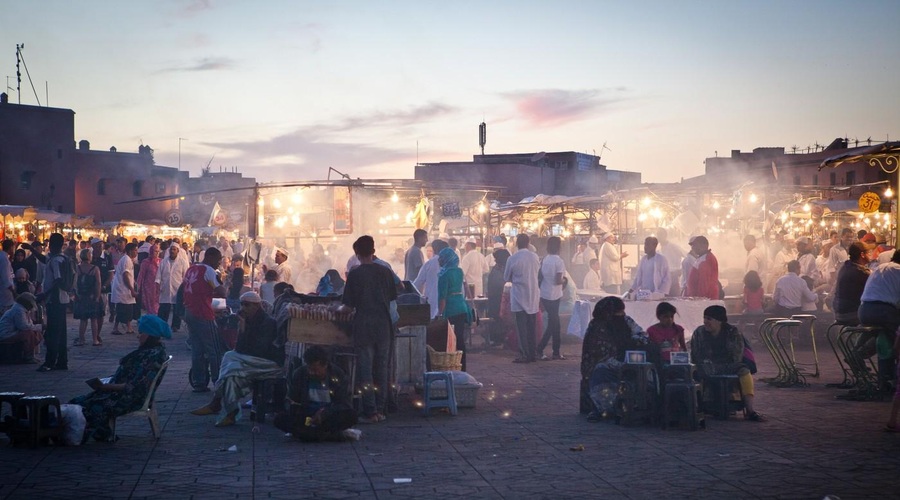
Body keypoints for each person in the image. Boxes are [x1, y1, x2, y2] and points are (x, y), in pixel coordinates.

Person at [70, 314, 170, 442]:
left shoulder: (152, 357)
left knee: (89, 406)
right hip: (122, 392)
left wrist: (105, 387)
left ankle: (94, 434)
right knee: (77, 402)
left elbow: (133, 387)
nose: (138, 336)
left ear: (150, 334)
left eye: (141, 333)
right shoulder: (151, 351)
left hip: (129, 398)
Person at [190, 291, 283, 427]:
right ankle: (230, 413)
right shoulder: (247, 320)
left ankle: (216, 402)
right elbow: (239, 348)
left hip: (268, 363)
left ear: (256, 306)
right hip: (249, 362)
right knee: (231, 376)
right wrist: (242, 328)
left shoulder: (268, 322)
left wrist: (245, 331)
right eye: (242, 304)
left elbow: (259, 350)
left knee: (229, 357)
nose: (243, 308)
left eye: (247, 305)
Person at [340, 235, 397, 423]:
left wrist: (336, 309)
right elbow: (393, 296)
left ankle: (370, 412)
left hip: (364, 326)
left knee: (365, 370)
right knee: (381, 369)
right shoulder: (385, 271)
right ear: (373, 251)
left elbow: (347, 307)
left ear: (356, 254)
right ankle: (380, 410)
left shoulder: (355, 274)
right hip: (383, 326)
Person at [690, 305, 764, 422]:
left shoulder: (733, 332)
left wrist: (721, 366)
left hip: (728, 365)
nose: (705, 322)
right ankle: (702, 405)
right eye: (705, 318)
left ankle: (750, 410)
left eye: (709, 319)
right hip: (706, 366)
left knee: (745, 371)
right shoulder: (699, 333)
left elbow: (737, 356)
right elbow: (695, 355)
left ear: (719, 321)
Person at [579, 296, 647, 420]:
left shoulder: (626, 321)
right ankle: (602, 408)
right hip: (604, 365)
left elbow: (641, 335)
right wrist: (620, 365)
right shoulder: (596, 327)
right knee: (601, 371)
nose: (622, 314)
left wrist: (637, 341)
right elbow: (598, 354)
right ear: (609, 313)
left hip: (628, 362)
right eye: (619, 312)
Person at [275, 345, 358, 442]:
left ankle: (313, 434)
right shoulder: (299, 374)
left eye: (315, 370)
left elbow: (344, 403)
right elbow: (291, 400)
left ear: (325, 365)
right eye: (309, 369)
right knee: (280, 419)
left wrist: (324, 413)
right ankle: (323, 435)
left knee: (351, 415)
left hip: (327, 418)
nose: (312, 373)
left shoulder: (338, 374)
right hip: (306, 417)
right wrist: (294, 407)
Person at [183, 247, 228, 392]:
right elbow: (222, 292)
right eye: (218, 260)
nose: (218, 264)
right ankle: (217, 380)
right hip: (203, 313)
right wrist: (224, 284)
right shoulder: (208, 270)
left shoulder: (191, 269)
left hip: (189, 311)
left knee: (197, 349)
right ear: (210, 257)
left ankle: (199, 382)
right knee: (214, 349)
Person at [36, 233, 72, 373]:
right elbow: (44, 259)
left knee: (53, 332)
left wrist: (44, 294)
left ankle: (49, 362)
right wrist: (32, 250)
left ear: (51, 245)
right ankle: (62, 361)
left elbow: (57, 280)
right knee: (61, 332)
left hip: (55, 299)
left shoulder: (56, 261)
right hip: (62, 299)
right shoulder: (61, 258)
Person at [504, 234, 540, 363]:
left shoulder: (512, 259)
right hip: (533, 296)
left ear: (517, 244)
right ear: (528, 243)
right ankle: (532, 353)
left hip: (519, 297)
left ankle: (524, 354)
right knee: (531, 327)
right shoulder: (535, 257)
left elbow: (506, 277)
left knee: (521, 328)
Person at [437, 247, 472, 371]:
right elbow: (465, 289)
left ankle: (451, 366)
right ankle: (463, 367)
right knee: (460, 339)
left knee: (450, 341)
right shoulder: (459, 271)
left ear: (446, 259)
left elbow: (442, 297)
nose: (439, 260)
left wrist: (439, 314)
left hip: (450, 309)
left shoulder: (443, 275)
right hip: (461, 307)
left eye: (441, 258)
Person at [537, 236, 567, 361]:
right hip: (555, 295)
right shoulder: (559, 261)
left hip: (544, 293)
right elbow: (557, 280)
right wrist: (565, 281)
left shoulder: (544, 259)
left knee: (555, 323)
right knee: (554, 323)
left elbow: (541, 277)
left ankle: (555, 351)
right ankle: (541, 348)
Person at [832, 242, 872, 325]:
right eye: (869, 253)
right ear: (862, 254)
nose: (870, 255)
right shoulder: (861, 273)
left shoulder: (845, 267)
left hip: (839, 312)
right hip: (852, 314)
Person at [0, 293, 43, 363]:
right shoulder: (18, 310)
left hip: (11, 333)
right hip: (6, 335)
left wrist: (38, 327)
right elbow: (24, 327)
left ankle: (30, 355)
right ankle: (28, 356)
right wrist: (40, 326)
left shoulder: (22, 310)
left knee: (34, 332)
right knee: (29, 333)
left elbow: (28, 325)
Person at [73, 248, 103, 347]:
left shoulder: (78, 268)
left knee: (83, 319)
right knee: (94, 319)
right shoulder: (95, 269)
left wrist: (77, 294)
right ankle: (95, 340)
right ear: (89, 256)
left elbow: (75, 283)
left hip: (82, 296)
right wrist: (97, 296)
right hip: (92, 296)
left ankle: (82, 339)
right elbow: (98, 284)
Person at [156, 242, 188, 332]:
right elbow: (158, 276)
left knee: (177, 309)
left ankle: (175, 326)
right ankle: (162, 325)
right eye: (171, 249)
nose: (172, 251)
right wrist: (157, 285)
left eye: (174, 249)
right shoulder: (163, 262)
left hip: (177, 289)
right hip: (165, 288)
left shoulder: (182, 262)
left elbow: (185, 277)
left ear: (178, 251)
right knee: (163, 309)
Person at [413, 239, 449, 319]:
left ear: (434, 250)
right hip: (449, 306)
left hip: (432, 304)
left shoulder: (429, 264)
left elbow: (417, 284)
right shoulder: (451, 264)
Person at [110, 243, 138, 336]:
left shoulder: (127, 259)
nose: (136, 252)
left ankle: (126, 327)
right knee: (124, 309)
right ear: (130, 251)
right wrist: (131, 289)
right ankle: (119, 327)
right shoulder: (126, 260)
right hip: (123, 289)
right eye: (135, 250)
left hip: (124, 289)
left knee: (126, 308)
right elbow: (125, 275)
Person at [485, 248, 510, 346]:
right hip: (496, 298)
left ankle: (500, 338)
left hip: (500, 298)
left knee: (500, 319)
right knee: (496, 318)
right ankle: (497, 338)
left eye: (496, 258)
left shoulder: (501, 268)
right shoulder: (497, 268)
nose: (494, 260)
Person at [685, 236, 719, 300]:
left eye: (696, 245)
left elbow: (704, 283)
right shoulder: (702, 258)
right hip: (699, 299)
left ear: (704, 245)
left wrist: (700, 300)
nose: (693, 247)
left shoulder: (706, 259)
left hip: (705, 299)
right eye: (692, 246)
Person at [656, 228, 685, 297]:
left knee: (674, 297)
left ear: (665, 235)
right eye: (658, 234)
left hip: (673, 275)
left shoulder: (673, 246)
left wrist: (681, 269)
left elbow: (687, 256)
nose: (659, 237)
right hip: (662, 277)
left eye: (660, 234)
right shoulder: (658, 249)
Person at [137, 243, 161, 316]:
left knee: (158, 305)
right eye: (155, 251)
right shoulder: (146, 262)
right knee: (150, 306)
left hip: (159, 287)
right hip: (149, 288)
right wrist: (137, 287)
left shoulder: (161, 261)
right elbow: (141, 275)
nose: (157, 253)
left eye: (158, 251)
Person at [0, 239, 15, 314]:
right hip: (5, 291)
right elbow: (6, 277)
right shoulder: (4, 259)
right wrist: (13, 291)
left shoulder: (4, 257)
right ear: (11, 247)